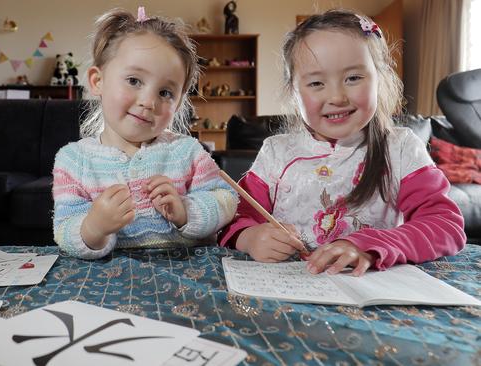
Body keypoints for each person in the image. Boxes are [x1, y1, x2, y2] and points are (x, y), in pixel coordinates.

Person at [218, 9, 466, 276]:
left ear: (379, 79)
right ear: (293, 92)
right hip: (288, 292)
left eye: (353, 78)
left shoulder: (402, 149)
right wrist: (250, 238)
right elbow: (232, 220)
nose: (336, 96)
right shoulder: (275, 153)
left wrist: (370, 246)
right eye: (316, 82)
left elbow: (445, 226)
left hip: (369, 295)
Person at [53, 7, 238, 259]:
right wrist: (93, 227)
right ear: (98, 81)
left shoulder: (187, 151)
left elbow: (226, 200)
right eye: (134, 80)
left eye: (165, 93)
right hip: (108, 284)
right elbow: (64, 230)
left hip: (187, 278)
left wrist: (186, 210)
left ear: (179, 103)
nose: (149, 101)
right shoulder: (73, 160)